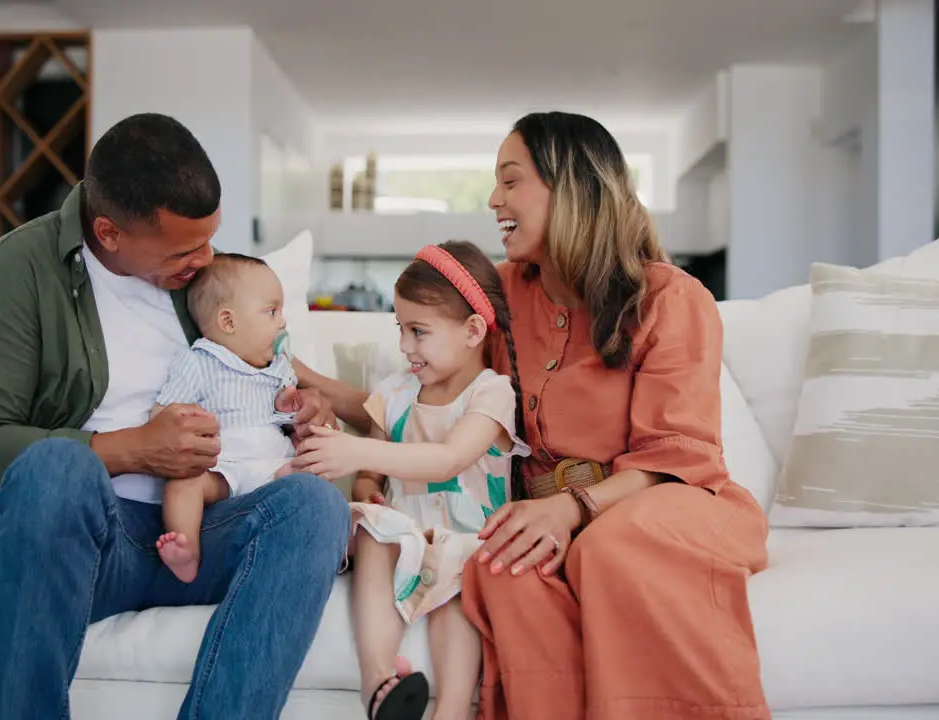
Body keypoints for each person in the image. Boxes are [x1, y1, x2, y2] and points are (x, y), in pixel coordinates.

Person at [297, 111, 771, 720]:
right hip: (554, 516)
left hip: (666, 504)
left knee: (609, 548)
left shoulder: (672, 298)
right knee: (499, 564)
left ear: (569, 188)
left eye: (511, 180)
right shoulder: (500, 294)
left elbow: (674, 458)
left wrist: (569, 510)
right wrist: (308, 386)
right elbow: (424, 391)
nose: (494, 200)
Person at [0, 112, 350, 720]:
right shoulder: (19, 270)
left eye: (210, 239)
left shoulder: (204, 283)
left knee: (315, 506)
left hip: (201, 531)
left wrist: (299, 409)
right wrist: (133, 448)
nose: (205, 260)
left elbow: (280, 379)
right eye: (185, 249)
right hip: (90, 542)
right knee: (54, 467)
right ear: (108, 232)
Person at [295, 241, 529, 720]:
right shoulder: (396, 392)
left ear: (472, 331)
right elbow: (371, 474)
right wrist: (365, 487)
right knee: (371, 530)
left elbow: (448, 459)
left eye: (418, 332)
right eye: (400, 328)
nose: (404, 346)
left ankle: (454, 707)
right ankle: (379, 681)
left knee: (458, 582)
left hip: (468, 539)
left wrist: (356, 448)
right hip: (407, 534)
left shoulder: (492, 393)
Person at [151, 252, 302, 582]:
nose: (282, 323)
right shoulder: (200, 361)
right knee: (183, 481)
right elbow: (164, 415)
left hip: (273, 465)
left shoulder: (279, 368)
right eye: (271, 311)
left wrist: (290, 408)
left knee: (314, 475)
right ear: (229, 322)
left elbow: (285, 422)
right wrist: (182, 423)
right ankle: (186, 547)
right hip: (221, 466)